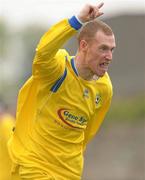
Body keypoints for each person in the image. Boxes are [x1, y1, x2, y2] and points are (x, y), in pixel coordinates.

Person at [8, 2, 116, 179]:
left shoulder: (104, 89)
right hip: (34, 166)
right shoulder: (58, 69)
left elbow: (87, 133)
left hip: (69, 173)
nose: (109, 57)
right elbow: (43, 52)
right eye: (103, 48)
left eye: (112, 50)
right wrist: (77, 21)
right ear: (83, 46)